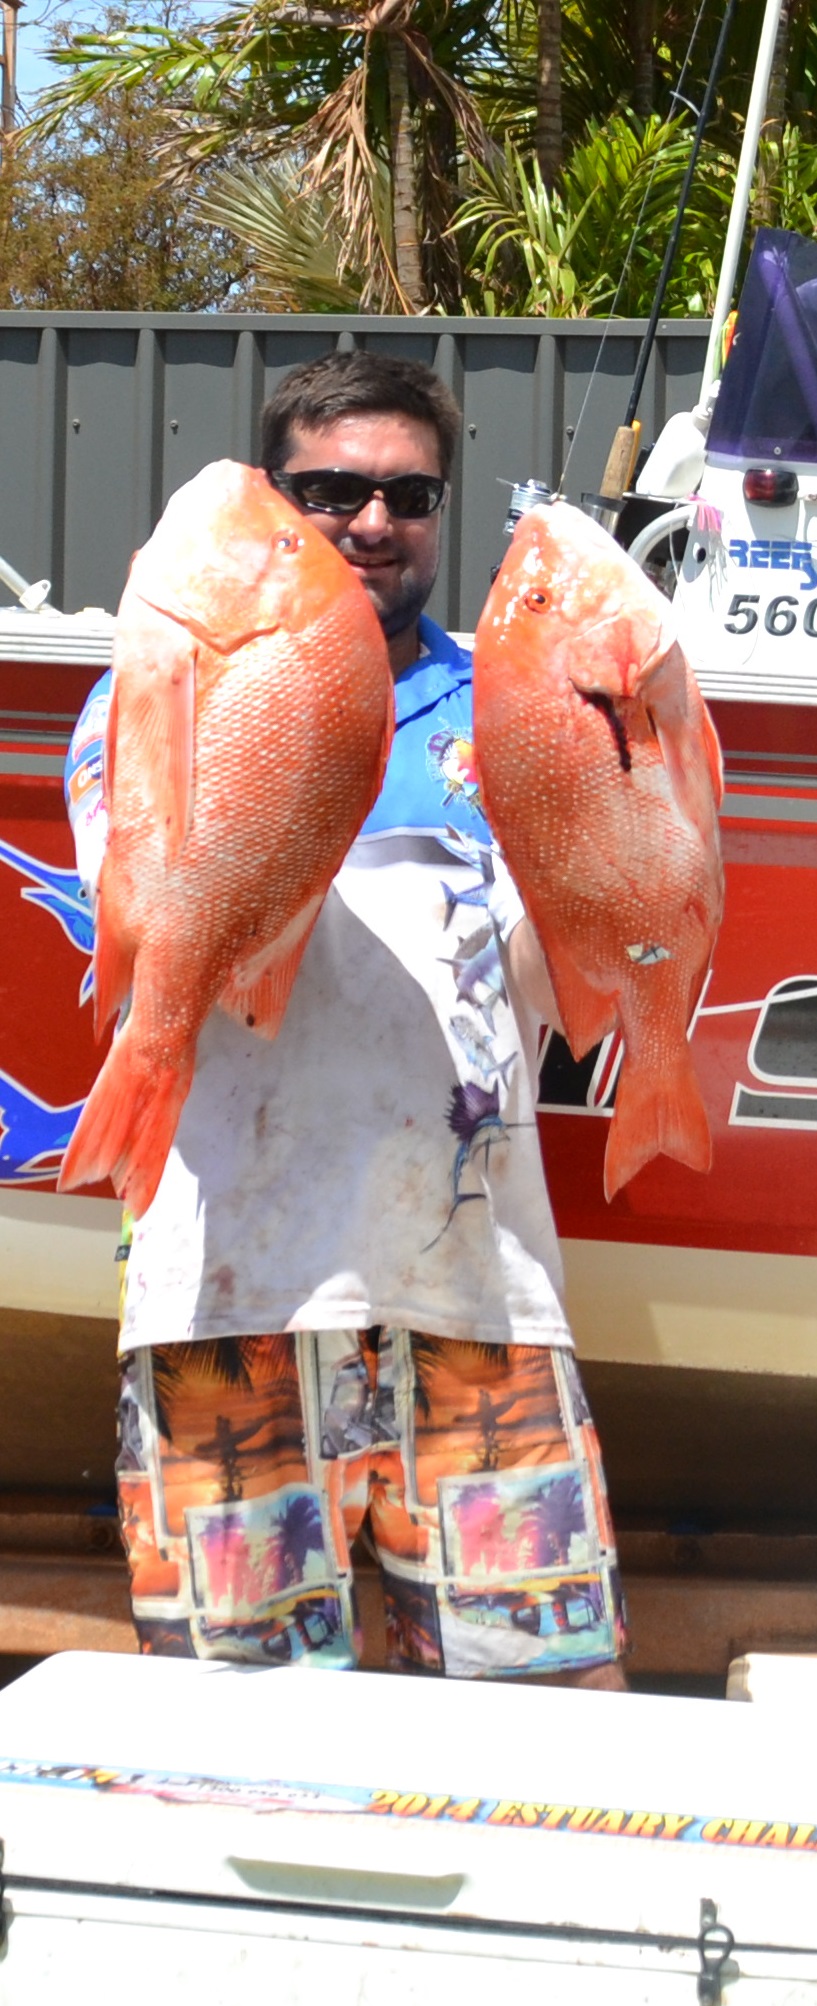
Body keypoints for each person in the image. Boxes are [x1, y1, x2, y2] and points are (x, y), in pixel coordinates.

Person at [64, 351, 626, 1688]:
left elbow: (581, 989)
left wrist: (612, 771)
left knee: (550, 1720)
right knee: (235, 1744)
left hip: (480, 1296)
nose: (372, 521)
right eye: (330, 491)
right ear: (275, 502)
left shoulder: (518, 705)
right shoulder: (155, 687)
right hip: (229, 1289)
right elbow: (134, 915)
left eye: (407, 493)